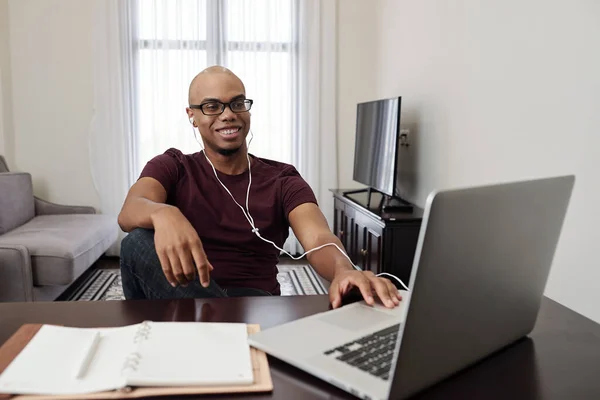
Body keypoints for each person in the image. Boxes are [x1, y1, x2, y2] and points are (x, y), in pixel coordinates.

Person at [117, 66, 401, 309]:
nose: (228, 114)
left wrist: (343, 270)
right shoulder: (173, 166)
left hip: (254, 302)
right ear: (192, 115)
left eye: (237, 103)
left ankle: (215, 342)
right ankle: (220, 341)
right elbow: (130, 210)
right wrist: (164, 214)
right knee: (137, 242)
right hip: (185, 296)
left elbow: (318, 238)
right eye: (212, 106)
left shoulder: (282, 178)